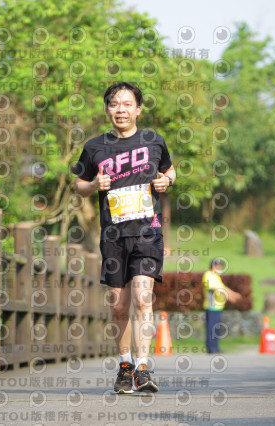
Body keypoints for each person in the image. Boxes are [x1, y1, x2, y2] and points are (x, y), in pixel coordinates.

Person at [72, 81, 176, 393]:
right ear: (107, 110)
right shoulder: (94, 146)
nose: (121, 109)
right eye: (115, 104)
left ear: (138, 109)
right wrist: (94, 186)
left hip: (147, 233)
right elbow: (79, 184)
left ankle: (143, 368)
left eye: (127, 104)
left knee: (143, 299)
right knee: (119, 307)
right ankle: (125, 365)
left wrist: (167, 182)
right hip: (113, 236)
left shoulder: (154, 141)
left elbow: (170, 170)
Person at [203, 258, 241, 354]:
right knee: (211, 328)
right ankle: (211, 348)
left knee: (216, 328)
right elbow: (215, 289)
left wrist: (234, 294)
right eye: (218, 266)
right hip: (211, 306)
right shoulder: (208, 275)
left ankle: (216, 347)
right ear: (213, 266)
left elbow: (224, 288)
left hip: (218, 307)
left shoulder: (216, 277)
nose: (220, 268)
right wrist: (229, 297)